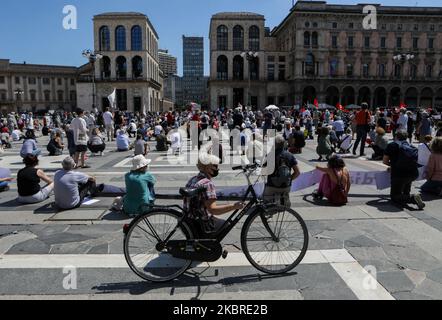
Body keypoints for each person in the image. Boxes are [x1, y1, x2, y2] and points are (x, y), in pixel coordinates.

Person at [184, 154, 245, 235]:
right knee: (227, 225)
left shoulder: (193, 179)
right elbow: (213, 210)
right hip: (201, 224)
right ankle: (207, 244)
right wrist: (234, 206)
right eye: (215, 166)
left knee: (217, 219)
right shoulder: (207, 183)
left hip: (189, 221)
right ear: (208, 167)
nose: (218, 168)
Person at [383, 130, 425, 209]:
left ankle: (412, 198)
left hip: (399, 174)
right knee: (406, 188)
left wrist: (392, 165)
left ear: (396, 137)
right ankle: (409, 197)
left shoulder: (392, 145)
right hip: (413, 173)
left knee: (395, 196)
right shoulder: (411, 146)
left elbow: (385, 161)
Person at [262, 135, 300, 208]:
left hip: (272, 186)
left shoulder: (270, 155)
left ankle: (267, 209)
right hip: (286, 186)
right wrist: (290, 179)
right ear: (284, 144)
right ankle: (284, 202)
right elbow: (297, 172)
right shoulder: (290, 155)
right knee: (284, 190)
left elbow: (263, 172)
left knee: (265, 196)